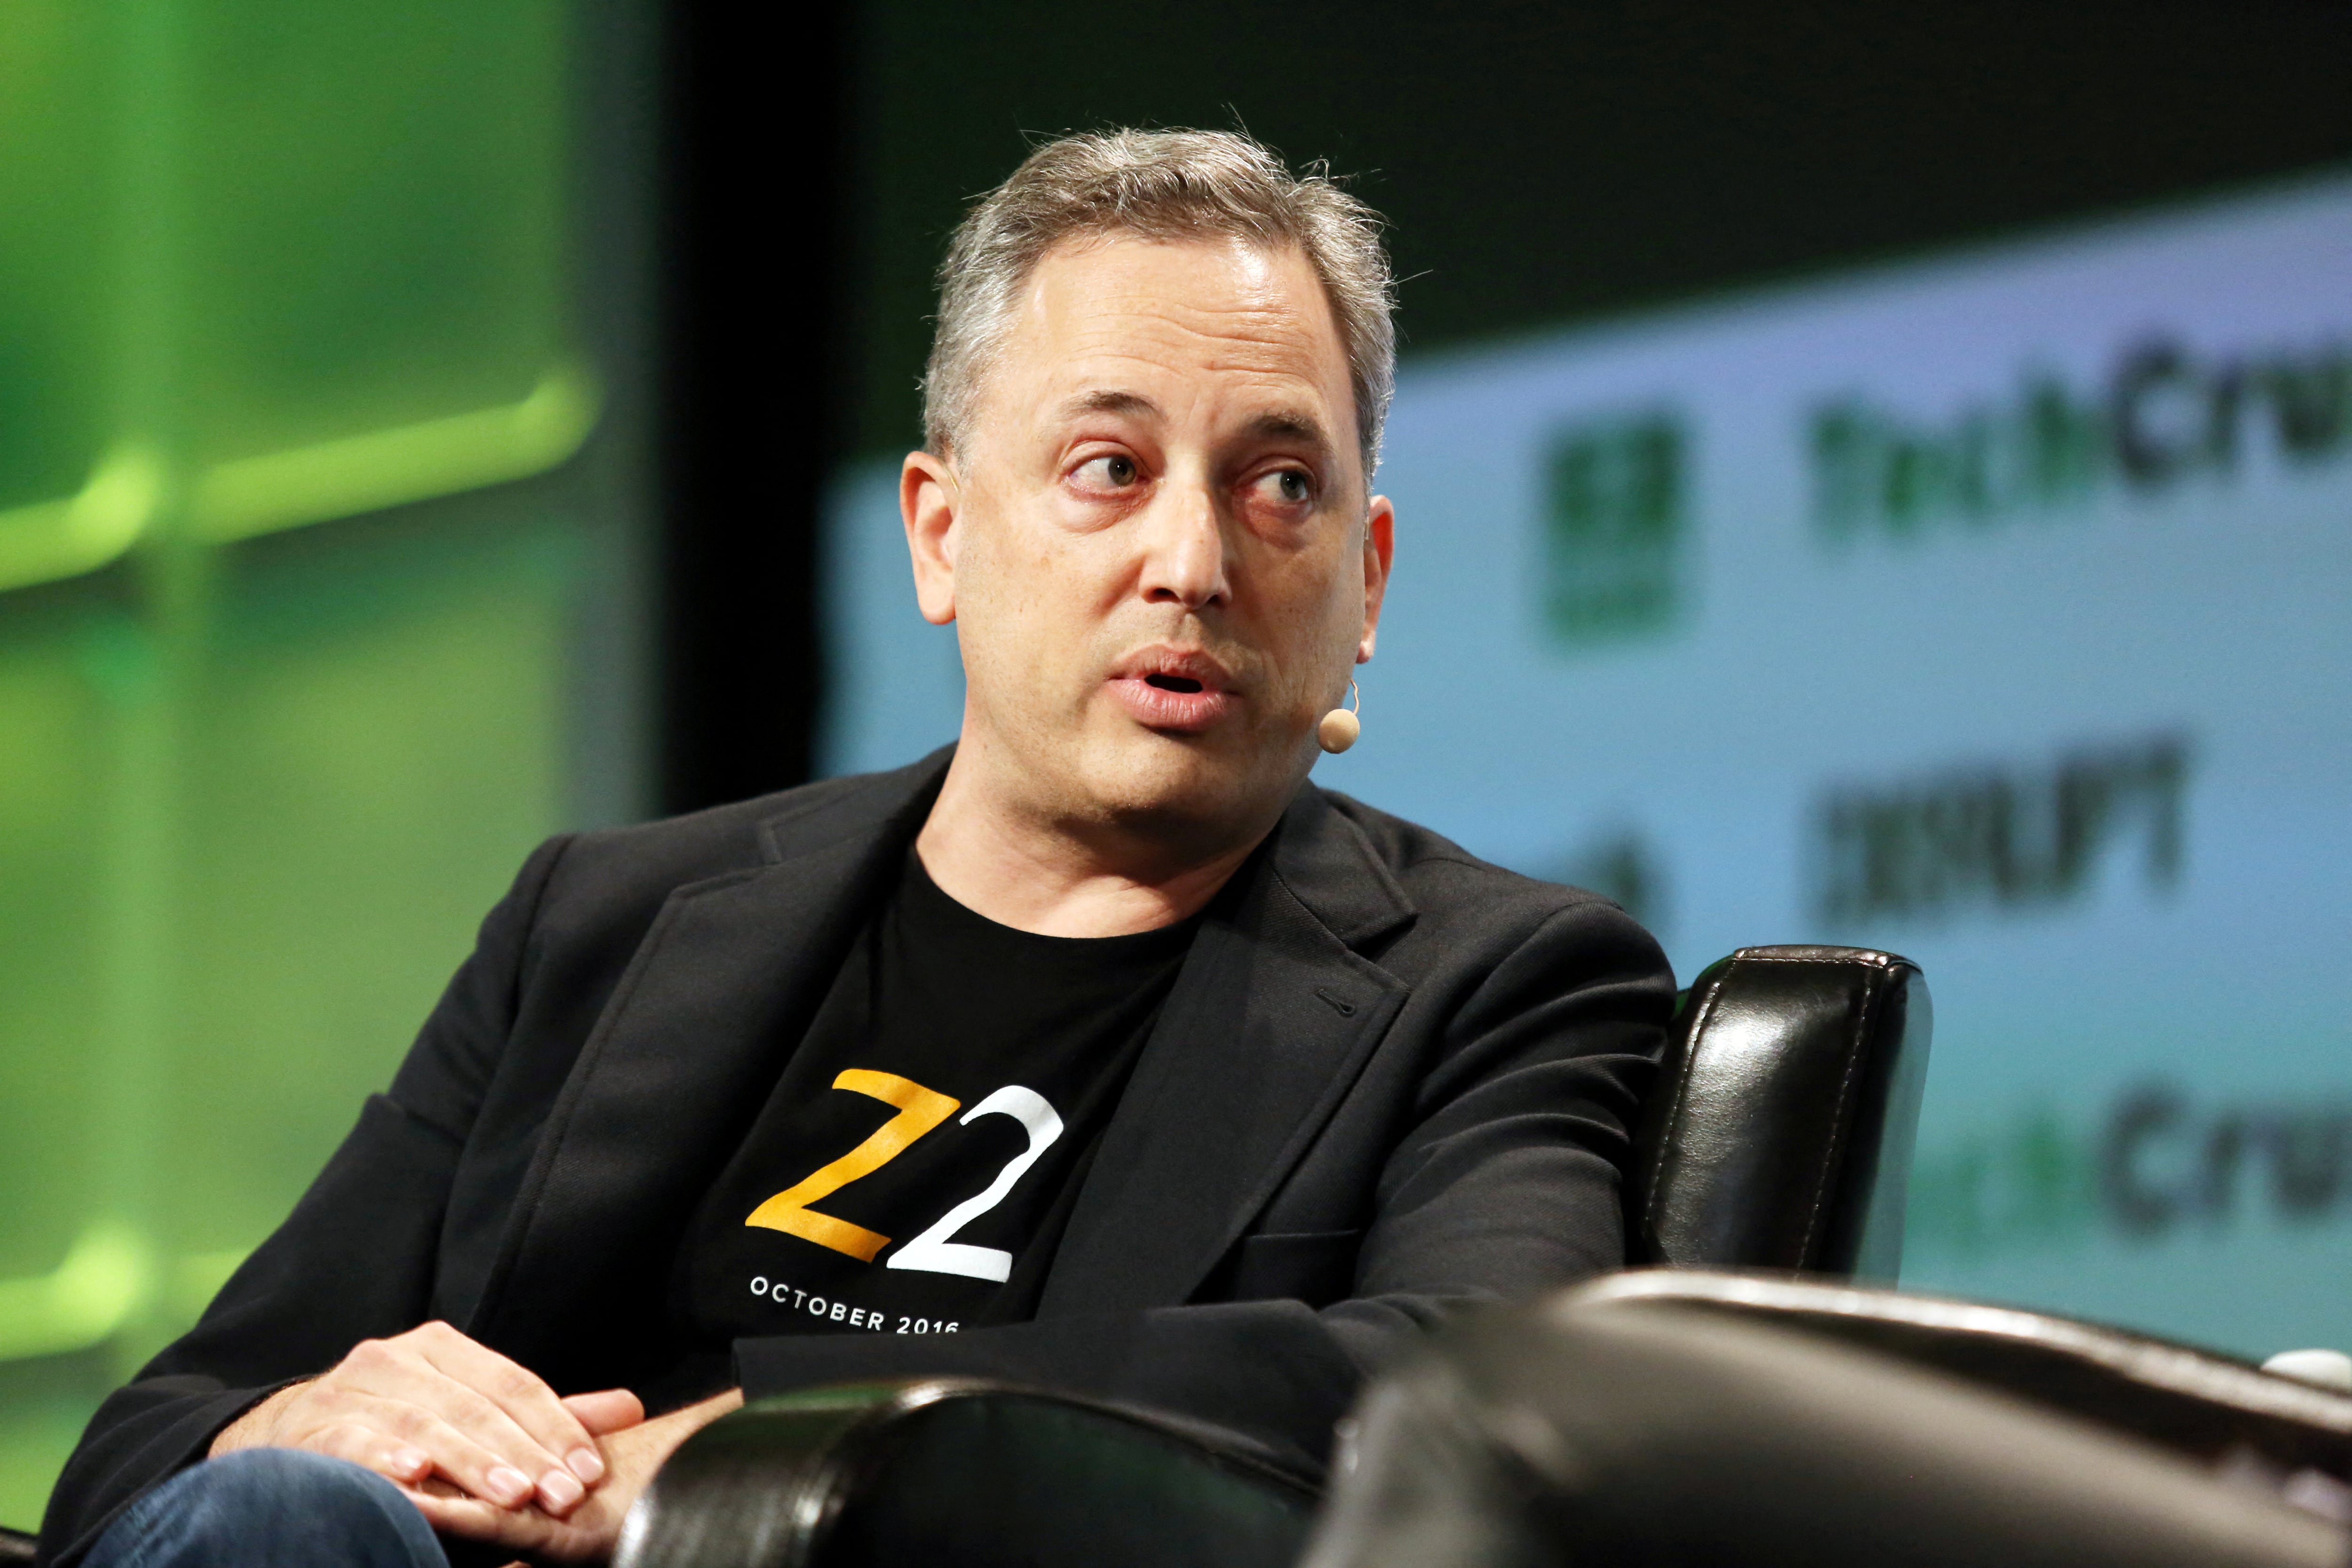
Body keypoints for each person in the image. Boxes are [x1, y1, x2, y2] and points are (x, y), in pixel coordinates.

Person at [38, 128, 1673, 1568]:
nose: (1191, 559)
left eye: (1281, 485)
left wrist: (752, 1446)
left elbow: (1481, 1388)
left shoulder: (1499, 987)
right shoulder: (609, 925)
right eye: (1108, 470)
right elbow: (147, 1446)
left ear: (1366, 582)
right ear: (943, 532)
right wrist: (308, 1425)